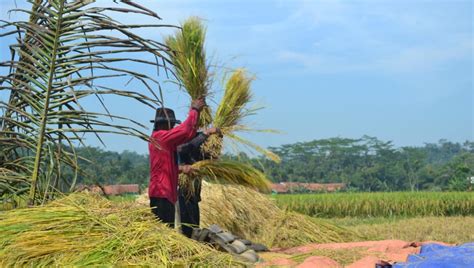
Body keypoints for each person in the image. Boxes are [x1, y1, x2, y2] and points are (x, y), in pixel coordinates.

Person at [148, 98, 206, 227]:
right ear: (163, 124)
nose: (173, 127)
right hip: (161, 193)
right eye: (171, 124)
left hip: (165, 193)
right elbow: (185, 131)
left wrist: (182, 168)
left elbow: (188, 135)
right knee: (163, 232)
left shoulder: (163, 140)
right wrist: (195, 110)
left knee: (167, 229)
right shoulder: (161, 137)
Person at [177, 127, 221, 238]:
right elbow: (182, 149)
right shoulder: (182, 136)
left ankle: (194, 236)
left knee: (193, 209)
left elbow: (210, 157)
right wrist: (205, 134)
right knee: (184, 210)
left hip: (195, 181)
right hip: (183, 182)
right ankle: (187, 236)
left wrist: (217, 140)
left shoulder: (201, 138)